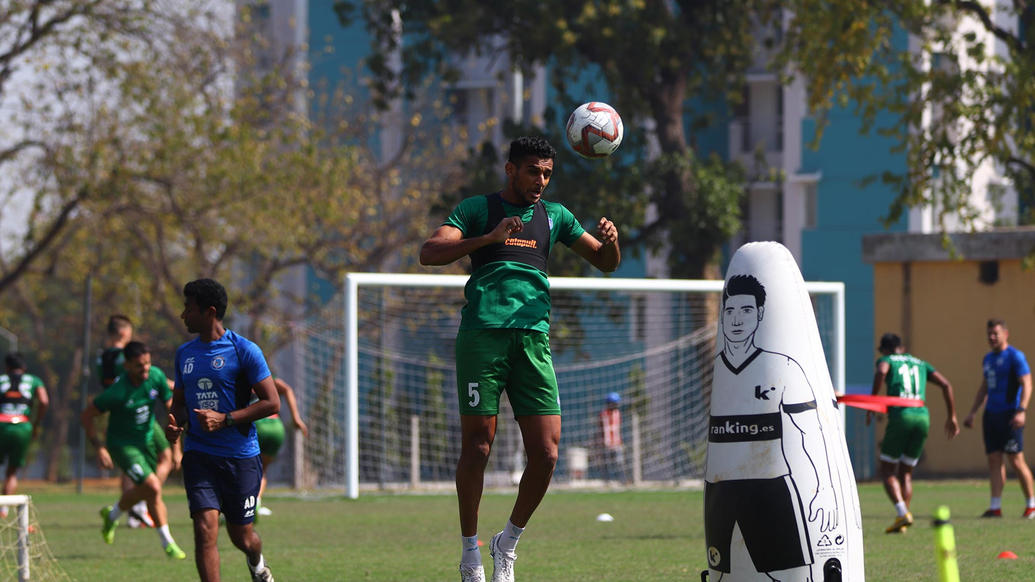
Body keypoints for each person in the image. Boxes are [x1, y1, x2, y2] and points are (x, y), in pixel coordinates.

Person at [420, 136, 620, 582]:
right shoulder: (477, 209)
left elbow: (605, 262)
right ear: (511, 170)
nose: (541, 181)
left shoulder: (556, 216)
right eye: (533, 171)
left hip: (533, 341)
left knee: (547, 454)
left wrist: (610, 243)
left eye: (547, 173)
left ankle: (506, 543)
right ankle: (470, 553)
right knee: (478, 446)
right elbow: (428, 252)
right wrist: (487, 239)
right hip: (482, 339)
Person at [704, 274, 837, 581]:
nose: (737, 319)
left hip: (769, 487)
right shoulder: (716, 371)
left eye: (747, 310)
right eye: (730, 310)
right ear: (722, 315)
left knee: (790, 576)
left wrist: (824, 486)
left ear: (760, 314)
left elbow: (811, 432)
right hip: (719, 489)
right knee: (722, 576)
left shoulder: (786, 368)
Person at [166, 278, 279, 582]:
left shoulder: (244, 350)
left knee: (242, 537)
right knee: (204, 530)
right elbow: (178, 403)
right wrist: (174, 423)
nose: (183, 314)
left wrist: (225, 419)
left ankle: (257, 563)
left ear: (209, 311)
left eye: (188, 308)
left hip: (240, 457)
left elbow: (271, 403)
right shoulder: (184, 354)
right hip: (199, 455)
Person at [81, 340, 186, 559]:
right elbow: (87, 416)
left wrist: (176, 448)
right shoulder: (117, 392)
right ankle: (168, 543)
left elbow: (171, 410)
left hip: (147, 435)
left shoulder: (156, 376)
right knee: (153, 489)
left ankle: (112, 515)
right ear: (127, 365)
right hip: (123, 446)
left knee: (152, 488)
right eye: (140, 365)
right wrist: (99, 448)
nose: (145, 369)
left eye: (148, 363)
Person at [868, 332, 959, 533]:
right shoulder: (920, 363)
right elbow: (946, 384)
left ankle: (902, 513)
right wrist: (952, 416)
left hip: (902, 416)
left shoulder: (887, 359)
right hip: (922, 417)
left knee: (887, 470)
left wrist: (872, 403)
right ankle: (904, 518)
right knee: (906, 472)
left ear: (885, 349)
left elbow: (882, 371)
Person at [97, 314, 179, 528]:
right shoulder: (124, 358)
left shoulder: (103, 356)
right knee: (153, 459)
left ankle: (139, 503)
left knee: (142, 463)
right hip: (137, 413)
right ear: (124, 332)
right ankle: (141, 503)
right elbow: (144, 378)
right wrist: (172, 385)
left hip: (127, 411)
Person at [963, 318, 1035, 518]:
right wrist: (973, 412)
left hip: (1011, 415)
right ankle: (995, 507)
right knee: (994, 460)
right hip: (991, 415)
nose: (992, 337)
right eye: (989, 334)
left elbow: (1027, 383)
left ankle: (1031, 505)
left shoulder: (1015, 357)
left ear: (1006, 334)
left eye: (995, 333)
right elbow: (985, 386)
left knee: (1016, 459)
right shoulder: (987, 359)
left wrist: (1021, 410)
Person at [0, 353, 48, 515]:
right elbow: (44, 401)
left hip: (1, 424)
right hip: (22, 425)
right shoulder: (34, 380)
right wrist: (36, 423)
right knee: (12, 470)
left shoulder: (1, 379)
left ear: (7, 368)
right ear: (24, 368)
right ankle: (4, 508)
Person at [254, 377, 308, 516]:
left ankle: (240, 506)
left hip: (255, 425)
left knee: (243, 468)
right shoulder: (271, 380)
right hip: (276, 427)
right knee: (262, 470)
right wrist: (296, 418)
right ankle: (256, 503)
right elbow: (287, 389)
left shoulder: (244, 379)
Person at [598, 392, 625, 484]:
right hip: (606, 444)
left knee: (619, 463)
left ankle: (621, 480)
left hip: (617, 443)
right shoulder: (604, 414)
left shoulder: (618, 414)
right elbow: (603, 429)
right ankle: (607, 481)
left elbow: (617, 429)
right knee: (606, 464)